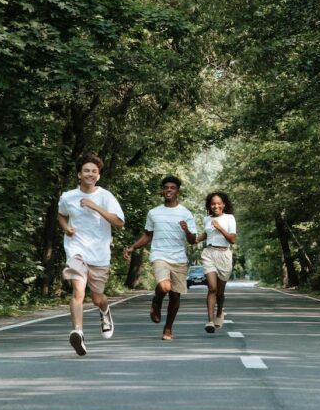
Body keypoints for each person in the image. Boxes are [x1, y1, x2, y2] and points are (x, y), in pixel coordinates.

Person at [58, 153, 125, 357]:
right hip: (76, 250)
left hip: (99, 254)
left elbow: (119, 222)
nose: (90, 174)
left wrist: (95, 206)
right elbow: (61, 215)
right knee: (78, 291)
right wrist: (66, 228)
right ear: (79, 174)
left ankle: (105, 311)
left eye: (94, 171)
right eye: (86, 170)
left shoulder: (106, 196)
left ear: (99, 176)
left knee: (97, 298)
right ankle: (78, 332)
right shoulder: (68, 196)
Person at [123, 175, 198, 340]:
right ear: (163, 191)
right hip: (160, 255)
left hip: (179, 258)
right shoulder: (154, 213)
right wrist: (133, 247)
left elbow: (193, 240)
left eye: (172, 188)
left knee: (175, 296)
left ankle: (168, 328)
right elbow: (147, 235)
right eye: (166, 188)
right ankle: (156, 301)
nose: (169, 190)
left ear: (177, 191)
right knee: (164, 287)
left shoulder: (186, 213)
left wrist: (186, 230)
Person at [196, 192, 237, 333]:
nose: (216, 206)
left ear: (224, 205)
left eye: (219, 203)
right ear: (210, 205)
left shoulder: (229, 218)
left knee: (220, 292)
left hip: (224, 255)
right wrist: (193, 238)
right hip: (209, 253)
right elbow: (206, 234)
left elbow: (232, 239)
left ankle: (220, 311)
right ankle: (210, 321)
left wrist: (219, 227)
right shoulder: (206, 219)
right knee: (212, 288)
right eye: (213, 204)